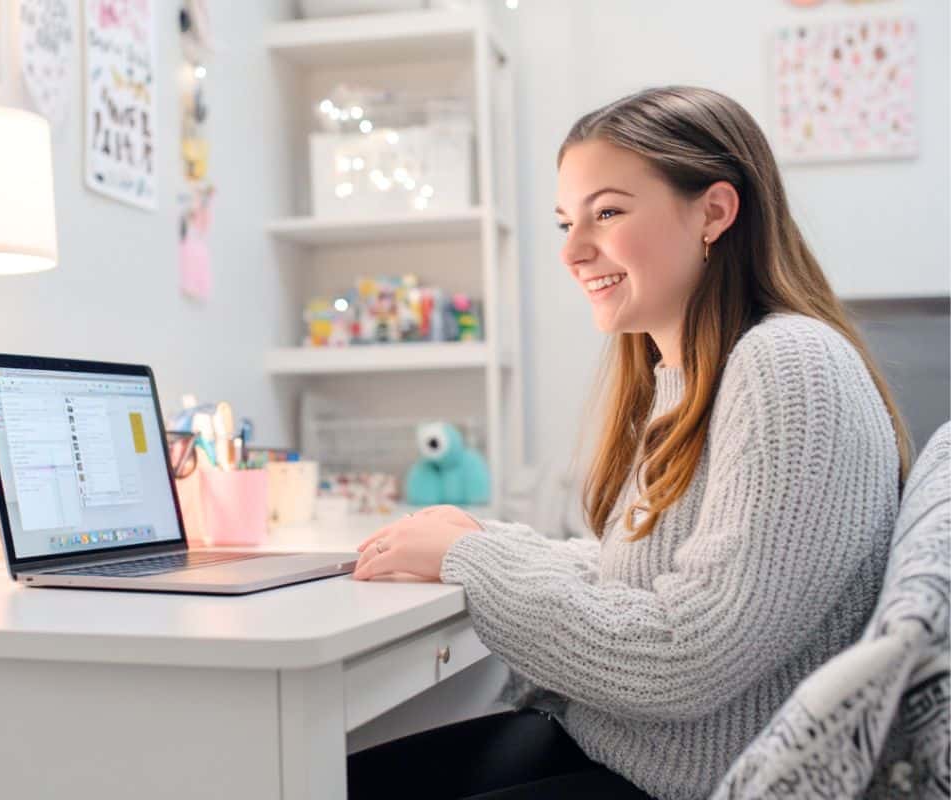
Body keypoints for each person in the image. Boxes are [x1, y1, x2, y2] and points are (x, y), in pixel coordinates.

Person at [346, 86, 912, 800]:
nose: (574, 251)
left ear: (714, 212)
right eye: (565, 223)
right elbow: (645, 581)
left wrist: (473, 556)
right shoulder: (684, 377)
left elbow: (684, 654)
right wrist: (486, 541)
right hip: (628, 750)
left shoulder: (789, 365)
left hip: (691, 782)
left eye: (607, 212)